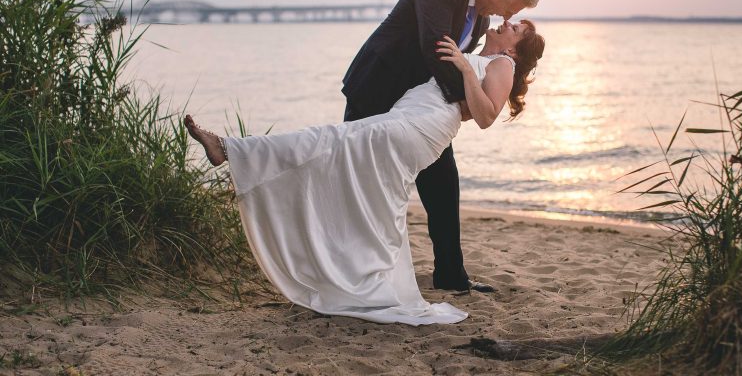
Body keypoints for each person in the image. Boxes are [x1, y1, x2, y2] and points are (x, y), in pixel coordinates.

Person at [185, 21, 545, 325]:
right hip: (405, 118)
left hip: (420, 127)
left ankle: (230, 149)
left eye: (515, 28)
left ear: (514, 50)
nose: (505, 23)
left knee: (330, 141)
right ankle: (362, 275)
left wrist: (466, 70)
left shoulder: (502, 65)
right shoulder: (481, 52)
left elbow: (485, 116)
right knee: (368, 188)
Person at [342, 0, 539, 292]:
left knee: (444, 186)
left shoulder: (481, 19)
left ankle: (451, 276)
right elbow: (435, 50)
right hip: (377, 90)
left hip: (417, 110)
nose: (507, 19)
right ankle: (352, 271)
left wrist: (470, 95)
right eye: (511, 9)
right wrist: (466, 103)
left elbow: (463, 64)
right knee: (359, 180)